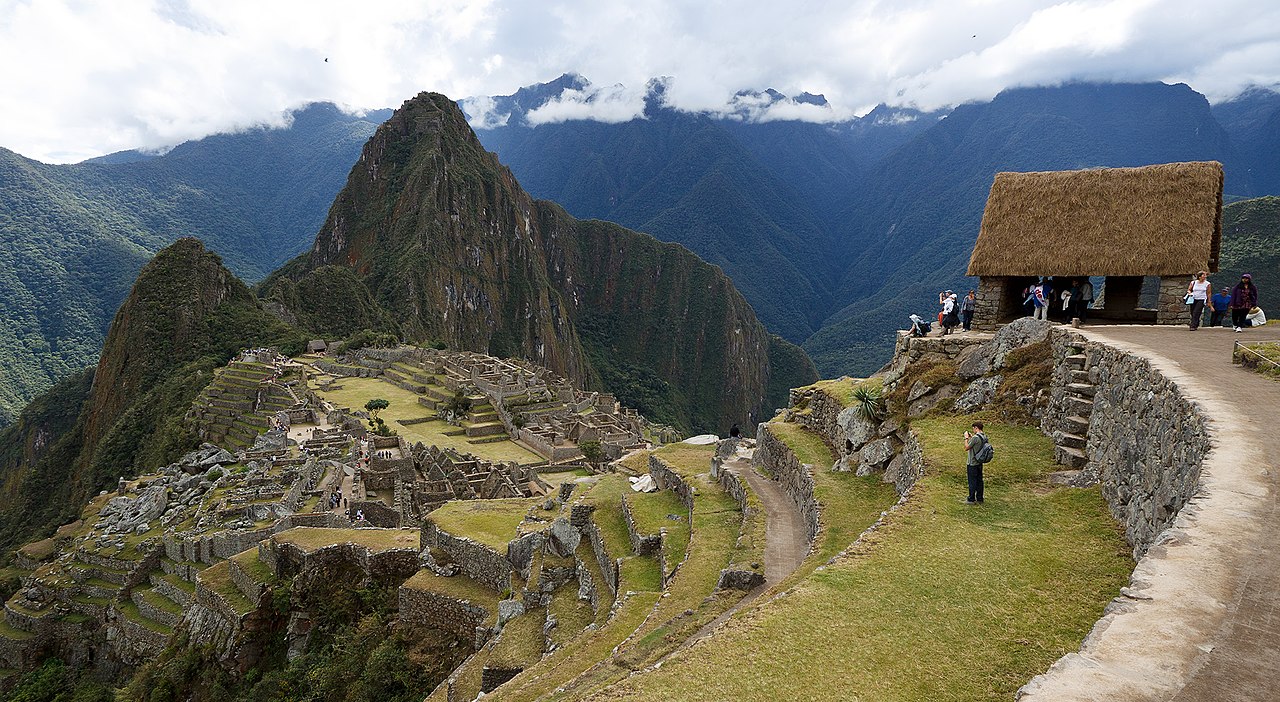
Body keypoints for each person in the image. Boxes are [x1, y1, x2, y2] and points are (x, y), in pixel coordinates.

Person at [964, 421, 988, 504]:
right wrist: (972, 437)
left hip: (972, 462)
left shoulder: (975, 438)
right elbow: (976, 445)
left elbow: (967, 447)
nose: (973, 430)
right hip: (979, 462)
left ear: (976, 428)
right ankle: (980, 498)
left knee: (972, 481)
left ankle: (971, 499)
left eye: (973, 428)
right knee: (979, 480)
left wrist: (966, 438)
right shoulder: (984, 436)